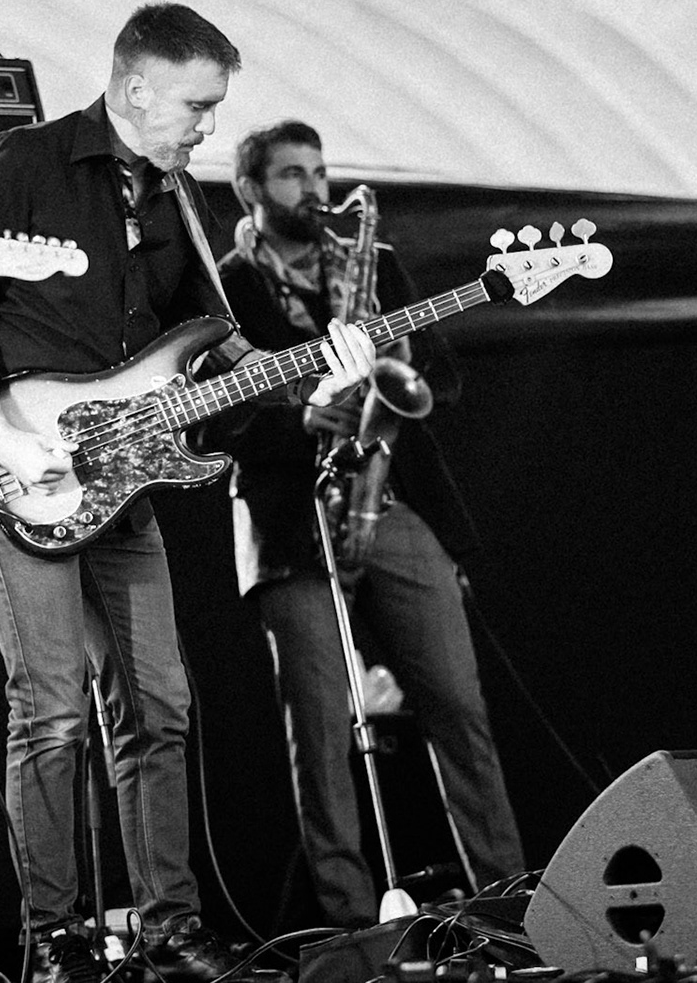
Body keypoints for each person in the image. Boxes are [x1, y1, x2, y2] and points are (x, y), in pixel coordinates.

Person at [0, 4, 376, 983]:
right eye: (197, 104)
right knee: (51, 710)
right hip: (13, 467)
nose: (208, 125)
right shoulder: (26, 161)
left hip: (122, 475)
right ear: (135, 87)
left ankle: (170, 928)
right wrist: (3, 432)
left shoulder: (174, 194)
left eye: (217, 107)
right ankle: (51, 941)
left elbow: (213, 336)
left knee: (159, 702)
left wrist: (315, 365)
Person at [197, 119, 527, 929]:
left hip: (388, 499)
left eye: (319, 172)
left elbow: (440, 378)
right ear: (248, 190)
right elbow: (211, 425)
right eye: (290, 176)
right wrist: (306, 419)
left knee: (458, 705)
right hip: (285, 517)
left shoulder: (370, 265)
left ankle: (509, 905)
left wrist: (395, 367)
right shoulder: (224, 287)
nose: (313, 189)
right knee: (319, 732)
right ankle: (351, 927)